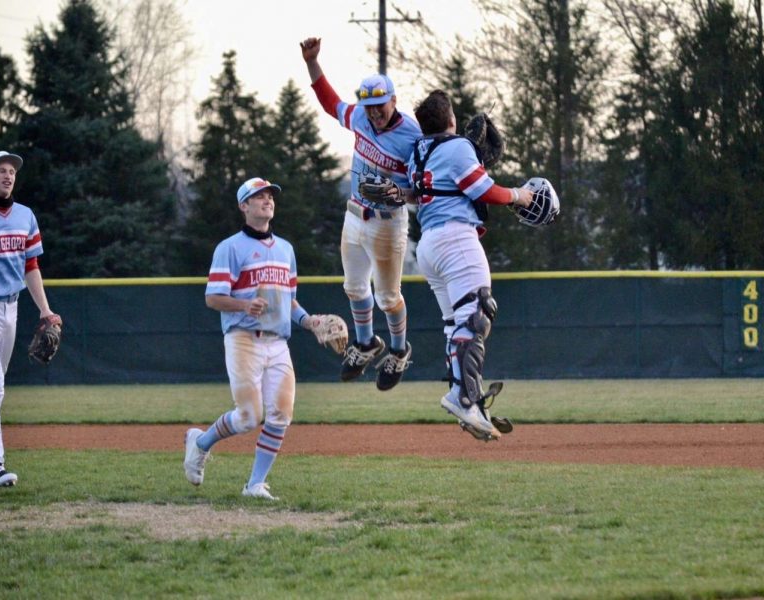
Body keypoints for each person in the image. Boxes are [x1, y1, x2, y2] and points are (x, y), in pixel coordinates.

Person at [184, 177, 331, 500]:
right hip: (243, 339)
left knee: (280, 415)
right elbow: (213, 298)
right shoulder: (230, 248)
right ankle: (200, 443)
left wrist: (310, 321)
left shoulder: (285, 249)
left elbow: (289, 301)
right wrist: (243, 305)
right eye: (259, 196)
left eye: (270, 196)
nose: (267, 200)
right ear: (244, 206)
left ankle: (254, 485)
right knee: (249, 416)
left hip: (278, 342)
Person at [404, 91, 533, 441]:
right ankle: (463, 397)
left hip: (429, 243)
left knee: (456, 325)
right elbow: (483, 190)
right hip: (455, 240)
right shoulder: (458, 147)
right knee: (477, 316)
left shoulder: (417, 152)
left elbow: (423, 189)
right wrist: (519, 195)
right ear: (451, 121)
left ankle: (468, 398)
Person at [299, 37, 422, 391]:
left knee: (387, 296)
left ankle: (398, 351)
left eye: (380, 105)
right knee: (354, 288)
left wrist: (401, 193)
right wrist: (312, 63)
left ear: (393, 100)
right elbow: (330, 103)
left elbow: (423, 188)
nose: (374, 112)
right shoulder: (359, 117)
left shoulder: (413, 137)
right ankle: (367, 343)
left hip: (388, 222)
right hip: (354, 215)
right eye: (369, 106)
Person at [0, 151, 60, 488]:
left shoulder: (26, 216)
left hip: (11, 308)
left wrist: (44, 309)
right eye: (0, 170)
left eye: (12, 171)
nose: (8, 175)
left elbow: (31, 267)